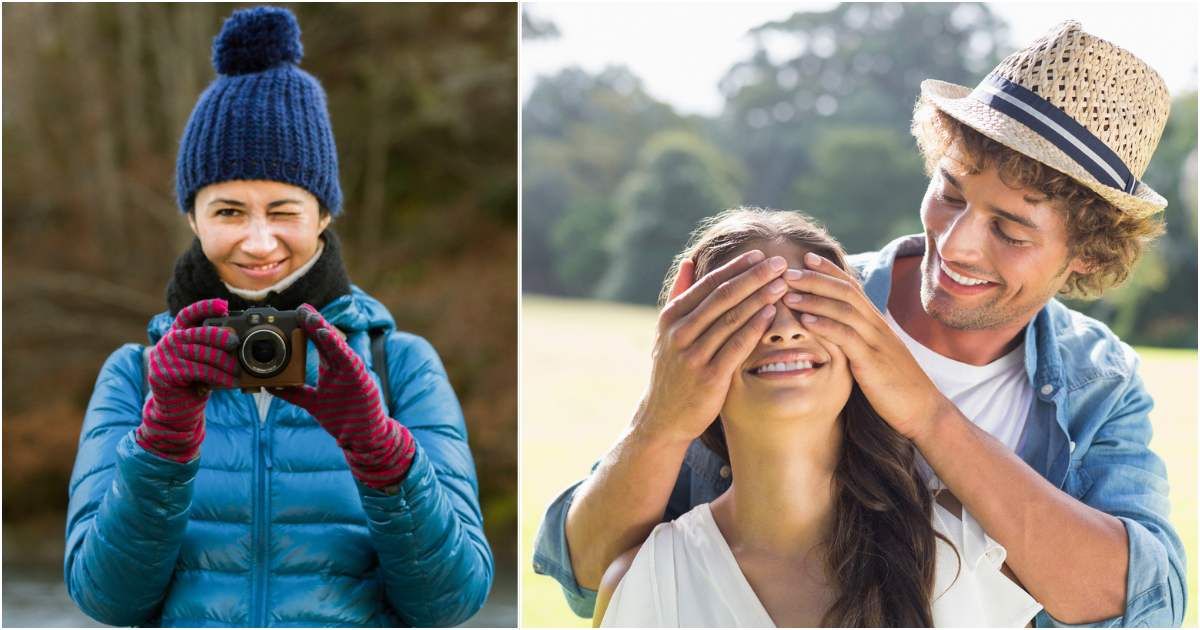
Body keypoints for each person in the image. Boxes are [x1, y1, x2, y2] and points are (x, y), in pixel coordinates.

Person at [535, 20, 1184, 627]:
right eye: (951, 192)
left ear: (1088, 253)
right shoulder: (798, 304)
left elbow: (1138, 605)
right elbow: (587, 572)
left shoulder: (1100, 382)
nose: (956, 244)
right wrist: (660, 421)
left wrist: (929, 416)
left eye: (1010, 231)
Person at [64, 6, 492, 626]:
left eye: (284, 210)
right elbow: (105, 598)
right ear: (192, 216)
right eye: (229, 211)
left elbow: (452, 599)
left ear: (323, 213)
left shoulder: (397, 365)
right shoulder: (136, 375)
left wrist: (381, 454)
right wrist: (165, 440)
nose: (259, 242)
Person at [593, 209, 1043, 627]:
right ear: (686, 363)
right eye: (744, 312)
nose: (783, 327)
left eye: (810, 304)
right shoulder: (649, 577)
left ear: (863, 350)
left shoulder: (969, 547)